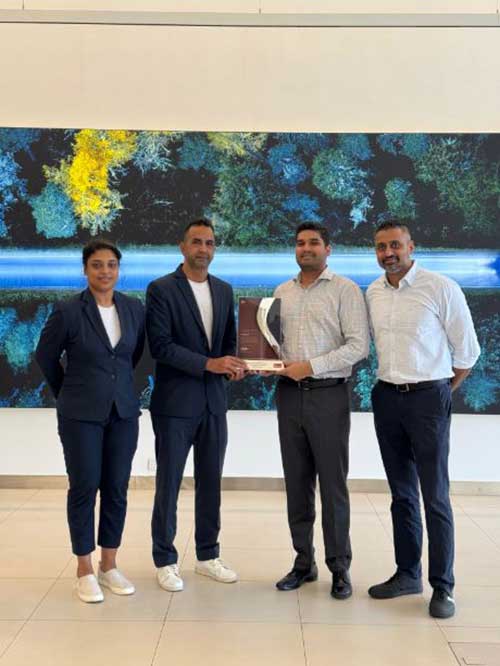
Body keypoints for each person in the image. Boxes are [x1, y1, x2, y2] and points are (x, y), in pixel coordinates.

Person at [366, 221, 480, 619]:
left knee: (435, 495)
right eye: (381, 247)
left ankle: (443, 587)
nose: (388, 253)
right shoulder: (373, 292)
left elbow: (467, 352)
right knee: (401, 494)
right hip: (387, 397)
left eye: (395, 245)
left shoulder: (441, 287)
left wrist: (441, 391)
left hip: (429, 397)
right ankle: (407, 574)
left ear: (411, 246)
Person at [35, 239, 145, 603]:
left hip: (123, 413)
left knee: (116, 488)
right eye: (97, 265)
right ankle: (83, 569)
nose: (105, 271)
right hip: (80, 415)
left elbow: (134, 356)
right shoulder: (68, 311)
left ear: (118, 269)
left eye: (111, 264)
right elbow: (46, 356)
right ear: (85, 270)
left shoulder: (133, 308)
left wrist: (121, 389)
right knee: (84, 487)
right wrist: (68, 392)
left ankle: (108, 564)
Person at [146, 218, 247, 592]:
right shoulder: (161, 289)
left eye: (209, 243)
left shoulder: (223, 290)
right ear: (182, 246)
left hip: (214, 403)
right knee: (169, 484)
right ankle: (165, 559)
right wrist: (210, 364)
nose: (203, 249)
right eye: (196, 242)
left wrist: (234, 364)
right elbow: (161, 347)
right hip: (175, 404)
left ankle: (207, 555)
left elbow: (230, 342)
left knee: (211, 483)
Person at [273, 222, 370, 599]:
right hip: (288, 395)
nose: (306, 248)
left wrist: (310, 366)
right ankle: (303, 563)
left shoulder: (345, 290)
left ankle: (339, 568)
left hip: (329, 395)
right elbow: (273, 344)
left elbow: (358, 347)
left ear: (328, 249)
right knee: (296, 484)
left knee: (332, 486)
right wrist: (266, 362)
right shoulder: (282, 292)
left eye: (314, 243)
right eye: (300, 243)